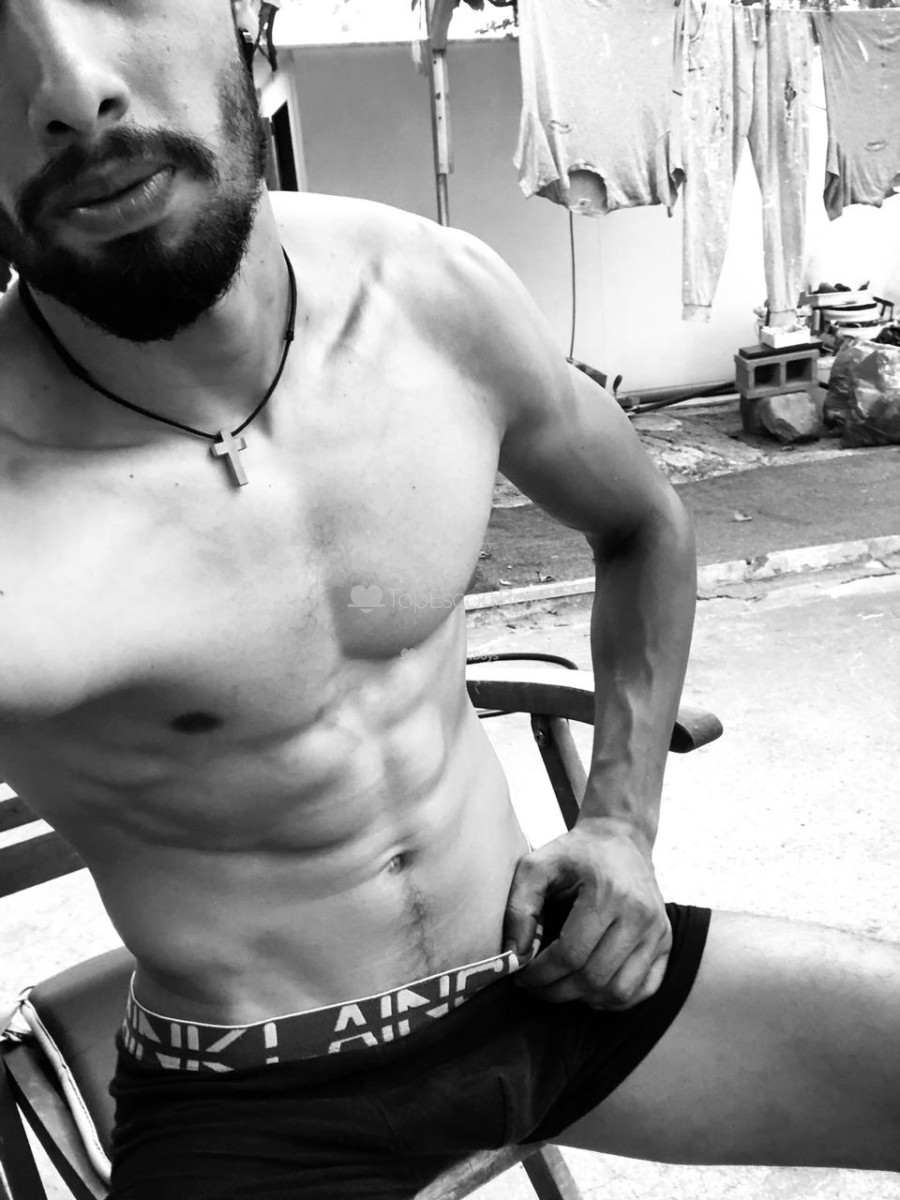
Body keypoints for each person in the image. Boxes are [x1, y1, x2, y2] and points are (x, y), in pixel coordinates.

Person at [0, 3, 897, 1197]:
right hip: (254, 1098)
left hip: (553, 975)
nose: (71, 86)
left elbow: (641, 522)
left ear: (249, 30)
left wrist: (620, 823)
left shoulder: (430, 296)